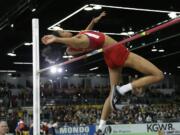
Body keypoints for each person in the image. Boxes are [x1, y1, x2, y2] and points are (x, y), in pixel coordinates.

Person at [41, 11, 164, 134]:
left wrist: (94, 21)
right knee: (158, 75)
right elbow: (74, 43)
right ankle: (123, 89)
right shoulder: (79, 41)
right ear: (63, 38)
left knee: (111, 94)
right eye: (62, 32)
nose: (64, 30)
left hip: (110, 59)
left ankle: (100, 128)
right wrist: (57, 39)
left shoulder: (80, 36)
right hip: (117, 52)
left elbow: (84, 33)